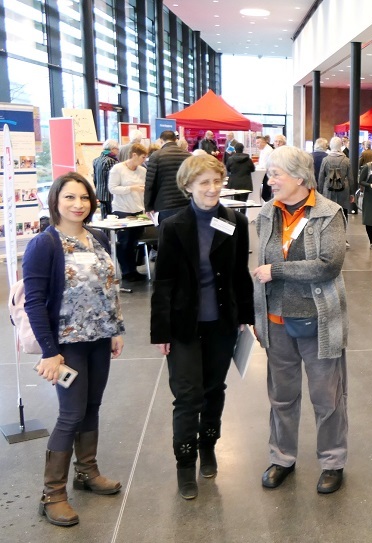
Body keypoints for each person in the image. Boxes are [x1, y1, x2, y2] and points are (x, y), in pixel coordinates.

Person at [150, 154, 255, 500]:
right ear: (188, 186)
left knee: (214, 390)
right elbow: (163, 282)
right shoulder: (173, 225)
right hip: (183, 325)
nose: (212, 188)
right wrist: (161, 332)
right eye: (204, 182)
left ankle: (208, 445)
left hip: (221, 323)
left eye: (216, 181)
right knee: (187, 397)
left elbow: (240, 273)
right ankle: (185, 462)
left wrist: (246, 317)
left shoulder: (235, 222)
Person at [25, 172, 125, 527]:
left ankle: (87, 471)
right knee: (71, 413)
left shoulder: (95, 237)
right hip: (67, 346)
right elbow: (34, 303)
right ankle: (52, 493)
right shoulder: (45, 244)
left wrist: (115, 328)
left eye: (84, 198)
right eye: (69, 197)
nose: (78, 204)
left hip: (98, 338)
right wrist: (50, 353)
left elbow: (109, 286)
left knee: (92, 406)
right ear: (55, 201)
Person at [253, 145, 349, 495]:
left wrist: (276, 271)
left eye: (276, 173)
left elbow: (328, 265)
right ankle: (282, 458)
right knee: (282, 396)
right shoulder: (266, 213)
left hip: (319, 322)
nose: (270, 180)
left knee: (327, 398)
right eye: (270, 173)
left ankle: (333, 462)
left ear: (299, 177)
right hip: (277, 323)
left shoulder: (328, 213)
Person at [108, 142, 148, 283]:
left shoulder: (142, 170)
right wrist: (131, 188)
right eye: (142, 157)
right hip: (122, 210)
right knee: (125, 242)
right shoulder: (117, 169)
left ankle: (133, 270)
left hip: (138, 209)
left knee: (134, 242)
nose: (144, 160)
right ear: (134, 155)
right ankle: (126, 271)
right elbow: (112, 189)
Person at [144, 130, 191, 224]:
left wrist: (148, 207)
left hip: (164, 204)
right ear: (175, 140)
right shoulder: (188, 156)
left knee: (166, 236)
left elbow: (150, 184)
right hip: (186, 203)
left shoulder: (156, 156)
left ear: (161, 140)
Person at [318, 137, 353, 248]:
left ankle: (327, 238)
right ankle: (342, 238)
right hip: (343, 192)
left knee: (328, 214)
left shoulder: (326, 160)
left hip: (328, 192)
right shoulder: (346, 160)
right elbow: (351, 178)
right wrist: (352, 193)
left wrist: (319, 191)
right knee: (343, 214)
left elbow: (321, 177)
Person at [92, 139, 119, 218]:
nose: (118, 151)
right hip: (109, 194)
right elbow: (113, 179)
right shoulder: (111, 161)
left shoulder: (96, 160)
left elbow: (95, 178)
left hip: (100, 193)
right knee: (112, 218)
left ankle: (105, 231)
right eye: (117, 149)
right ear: (112, 149)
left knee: (104, 217)